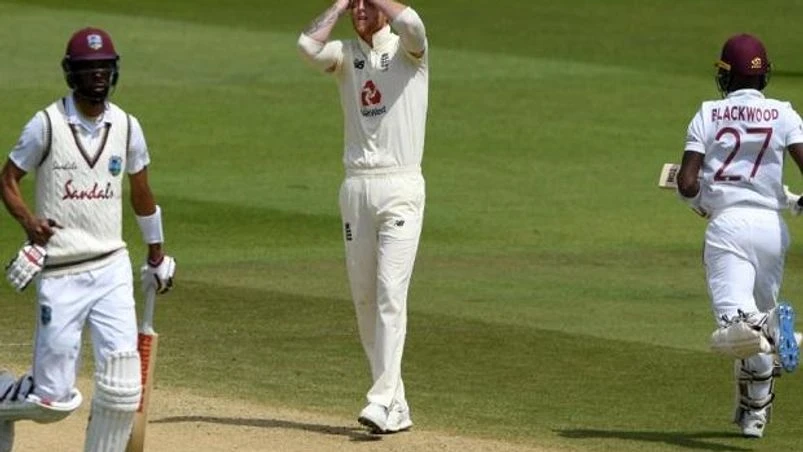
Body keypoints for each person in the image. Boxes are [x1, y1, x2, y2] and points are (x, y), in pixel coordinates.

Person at [0, 27, 176, 451]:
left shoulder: (129, 127)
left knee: (122, 389)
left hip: (111, 267)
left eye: (103, 67)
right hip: (61, 272)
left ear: (113, 72)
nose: (97, 74)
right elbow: (7, 180)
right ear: (71, 74)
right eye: (87, 68)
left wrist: (156, 253)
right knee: (52, 401)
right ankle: (4, 394)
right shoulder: (46, 124)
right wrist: (28, 221)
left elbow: (142, 194)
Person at [297, 0, 428, 434]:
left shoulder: (410, 50)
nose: (360, 10)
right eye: (355, 4)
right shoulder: (345, 56)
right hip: (355, 187)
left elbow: (412, 22)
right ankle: (397, 404)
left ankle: (379, 399)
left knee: (391, 292)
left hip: (400, 187)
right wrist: (337, 6)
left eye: (367, 4)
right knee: (366, 302)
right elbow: (306, 47)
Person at [676, 33, 803, 439]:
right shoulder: (783, 114)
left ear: (726, 77)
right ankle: (754, 416)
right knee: (754, 346)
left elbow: (688, 180)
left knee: (735, 331)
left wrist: (697, 201)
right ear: (764, 77)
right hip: (771, 230)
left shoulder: (709, 114)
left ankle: (775, 327)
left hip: (728, 229)